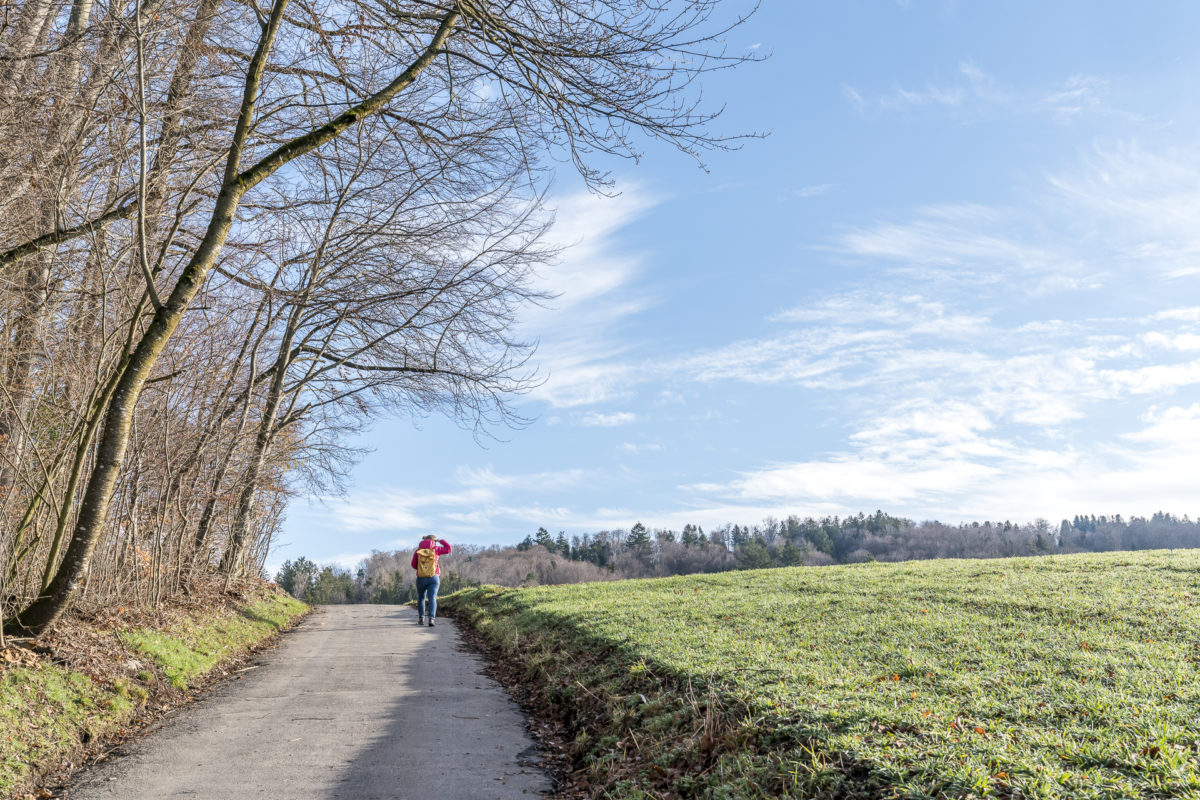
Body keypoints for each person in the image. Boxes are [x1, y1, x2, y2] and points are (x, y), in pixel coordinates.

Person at [411, 534, 452, 626]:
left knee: (421, 598)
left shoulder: (418, 551)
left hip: (421, 577)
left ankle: (421, 618)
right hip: (434, 577)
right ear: (434, 540)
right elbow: (449, 549)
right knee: (432, 598)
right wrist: (440, 541)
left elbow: (413, 565)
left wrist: (422, 569)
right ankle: (431, 619)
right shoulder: (436, 549)